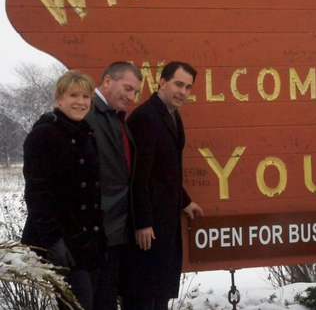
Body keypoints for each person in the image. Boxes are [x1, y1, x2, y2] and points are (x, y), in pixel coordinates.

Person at [121, 61, 203, 310]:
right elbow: (138, 176)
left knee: (159, 296)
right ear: (162, 83)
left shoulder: (171, 116)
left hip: (165, 225)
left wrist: (185, 200)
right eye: (179, 84)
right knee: (142, 297)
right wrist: (143, 223)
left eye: (188, 87)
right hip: (148, 231)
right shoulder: (145, 117)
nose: (183, 92)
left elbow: (166, 172)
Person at [22, 70, 106, 310]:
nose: (80, 102)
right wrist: (54, 243)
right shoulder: (44, 135)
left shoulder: (86, 134)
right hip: (63, 242)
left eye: (86, 97)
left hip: (88, 241)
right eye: (73, 95)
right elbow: (37, 194)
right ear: (59, 98)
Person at [85, 62, 142, 310]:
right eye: (128, 88)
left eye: (136, 93)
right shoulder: (85, 114)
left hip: (116, 234)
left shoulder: (117, 118)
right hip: (93, 237)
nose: (132, 97)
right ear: (108, 81)